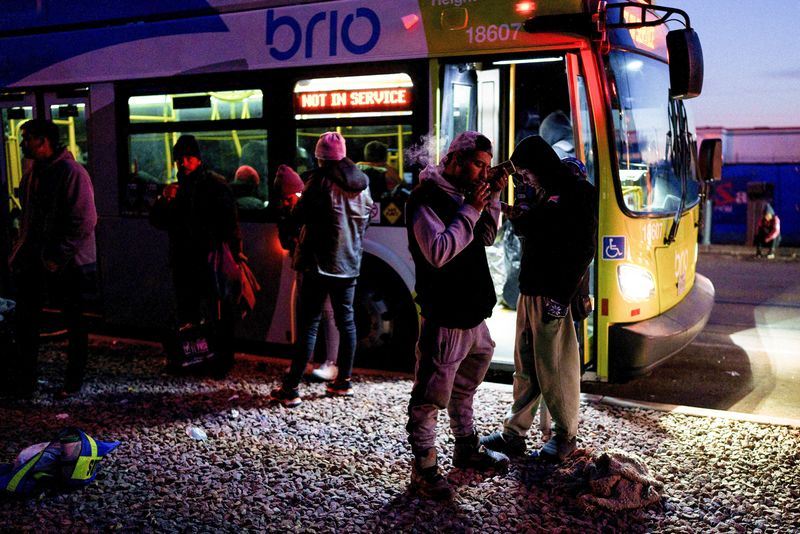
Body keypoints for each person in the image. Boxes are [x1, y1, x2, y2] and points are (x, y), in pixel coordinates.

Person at [405, 131, 511, 501]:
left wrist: (491, 199)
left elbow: (485, 238)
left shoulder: (463, 195)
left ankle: (465, 445)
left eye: (487, 166)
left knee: (465, 384)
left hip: (472, 312)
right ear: (454, 159)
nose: (484, 173)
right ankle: (425, 467)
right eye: (478, 165)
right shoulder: (424, 199)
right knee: (432, 394)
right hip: (446, 312)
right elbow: (438, 251)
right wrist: (472, 208)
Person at [481, 135, 596, 463]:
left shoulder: (577, 193)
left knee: (556, 368)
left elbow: (582, 249)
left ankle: (565, 436)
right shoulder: (545, 193)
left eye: (526, 172)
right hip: (531, 289)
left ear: (541, 165)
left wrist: (562, 296)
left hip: (551, 294)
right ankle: (514, 435)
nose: (524, 178)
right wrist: (509, 206)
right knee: (526, 367)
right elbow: (532, 229)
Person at [269, 132, 373, 407]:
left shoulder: (319, 182)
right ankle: (343, 382)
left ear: (320, 157)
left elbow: (298, 217)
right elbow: (365, 222)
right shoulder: (363, 183)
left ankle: (291, 390)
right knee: (347, 322)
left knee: (308, 326)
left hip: (317, 265)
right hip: (349, 264)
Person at [6, 119, 98, 399]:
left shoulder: (71, 172)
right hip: (42, 259)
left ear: (43, 141)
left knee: (72, 322)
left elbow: (85, 220)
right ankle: (28, 380)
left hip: (66, 262)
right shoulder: (36, 172)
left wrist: (57, 255)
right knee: (29, 320)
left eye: (27, 139)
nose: (22, 144)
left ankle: (70, 380)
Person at [149, 135, 242, 378]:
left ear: (198, 159)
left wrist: (231, 253)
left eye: (188, 158)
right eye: (180, 159)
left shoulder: (214, 185)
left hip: (206, 259)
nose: (183, 163)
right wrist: (164, 199)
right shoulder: (180, 188)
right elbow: (158, 220)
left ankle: (218, 361)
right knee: (193, 314)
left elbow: (229, 224)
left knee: (213, 313)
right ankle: (198, 359)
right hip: (187, 260)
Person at [273, 164, 339, 383]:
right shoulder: (288, 210)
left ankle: (330, 362)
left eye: (291, 196)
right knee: (310, 315)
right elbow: (286, 240)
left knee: (326, 312)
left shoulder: (310, 204)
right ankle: (307, 361)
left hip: (318, 265)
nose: (288, 201)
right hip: (307, 265)